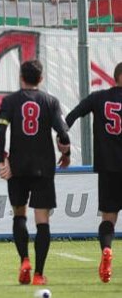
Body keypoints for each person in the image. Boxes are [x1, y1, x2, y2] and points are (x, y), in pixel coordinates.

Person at [0, 60, 71, 286]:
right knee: (42, 220)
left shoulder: (10, 101)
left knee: (19, 214)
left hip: (17, 167)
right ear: (41, 78)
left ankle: (24, 260)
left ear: (21, 77)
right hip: (43, 168)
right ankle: (38, 274)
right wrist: (66, 153)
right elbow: (62, 132)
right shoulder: (50, 101)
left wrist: (1, 161)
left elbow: (1, 131)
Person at [64, 62, 122, 284]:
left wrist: (63, 139)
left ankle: (106, 249)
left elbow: (72, 115)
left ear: (115, 77)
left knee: (108, 217)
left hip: (107, 167)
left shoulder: (99, 98)